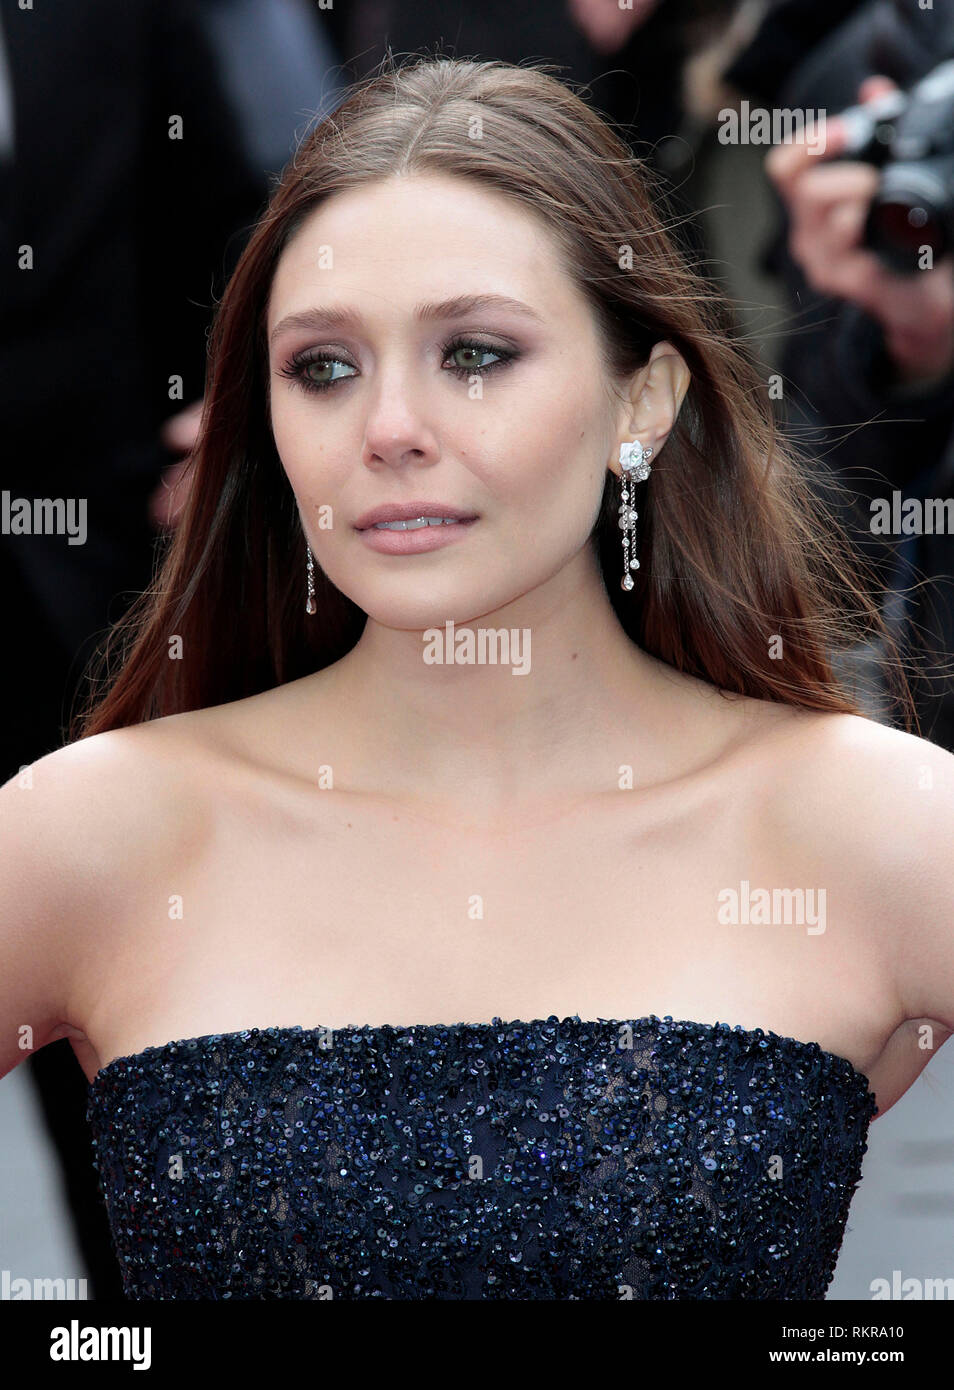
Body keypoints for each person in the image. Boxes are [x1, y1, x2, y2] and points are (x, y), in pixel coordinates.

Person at [1, 53, 952, 1302]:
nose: (389, 427)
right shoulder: (93, 830)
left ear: (643, 402)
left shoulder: (876, 828)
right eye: (323, 367)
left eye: (478, 354)